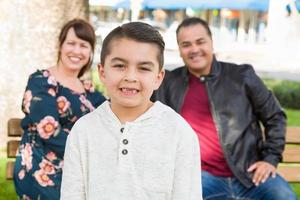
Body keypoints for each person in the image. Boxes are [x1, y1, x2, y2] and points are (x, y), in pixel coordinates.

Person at [153, 17, 297, 200]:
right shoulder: (167, 83)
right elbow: (134, 102)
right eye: (186, 44)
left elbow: (275, 116)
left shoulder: (242, 76)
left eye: (200, 42)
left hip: (250, 174)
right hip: (199, 178)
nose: (194, 49)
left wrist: (270, 159)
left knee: (284, 197)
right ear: (180, 50)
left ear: (212, 43)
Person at [60, 21, 202, 200]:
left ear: (158, 78)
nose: (130, 77)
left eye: (143, 68)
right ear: (102, 72)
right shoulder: (83, 131)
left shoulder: (179, 132)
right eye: (120, 66)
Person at [13, 19, 106, 200]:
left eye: (84, 45)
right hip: (42, 167)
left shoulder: (89, 91)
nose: (77, 51)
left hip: (78, 169)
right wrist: (90, 157)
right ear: (60, 46)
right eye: (71, 43)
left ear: (91, 51)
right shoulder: (41, 81)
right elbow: (49, 132)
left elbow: (113, 117)